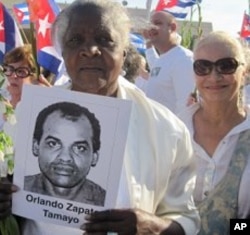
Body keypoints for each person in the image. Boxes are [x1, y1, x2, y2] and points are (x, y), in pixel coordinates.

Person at [0, 0, 200, 234]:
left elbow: (187, 218)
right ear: (63, 52)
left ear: (123, 52)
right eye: (76, 40)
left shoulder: (167, 129)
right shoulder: (27, 116)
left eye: (104, 39)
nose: (90, 50)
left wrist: (153, 226)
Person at [178, 31, 250, 234]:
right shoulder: (174, 129)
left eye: (226, 65)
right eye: (203, 67)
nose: (214, 76)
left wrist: (235, 230)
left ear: (244, 70)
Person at [24, 101, 106, 206]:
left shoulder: (106, 203)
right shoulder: (16, 190)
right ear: (36, 146)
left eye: (80, 148)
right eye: (53, 144)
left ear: (94, 157)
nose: (65, 158)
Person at [142, 11, 195, 114]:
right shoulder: (163, 59)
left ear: (173, 27)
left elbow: (186, 108)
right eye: (150, 24)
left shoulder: (183, 59)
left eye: (157, 23)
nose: (151, 27)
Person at [1, 44, 50, 109]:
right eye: (10, 69)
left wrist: (52, 98)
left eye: (21, 71)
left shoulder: (39, 107)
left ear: (33, 77)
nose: (14, 76)